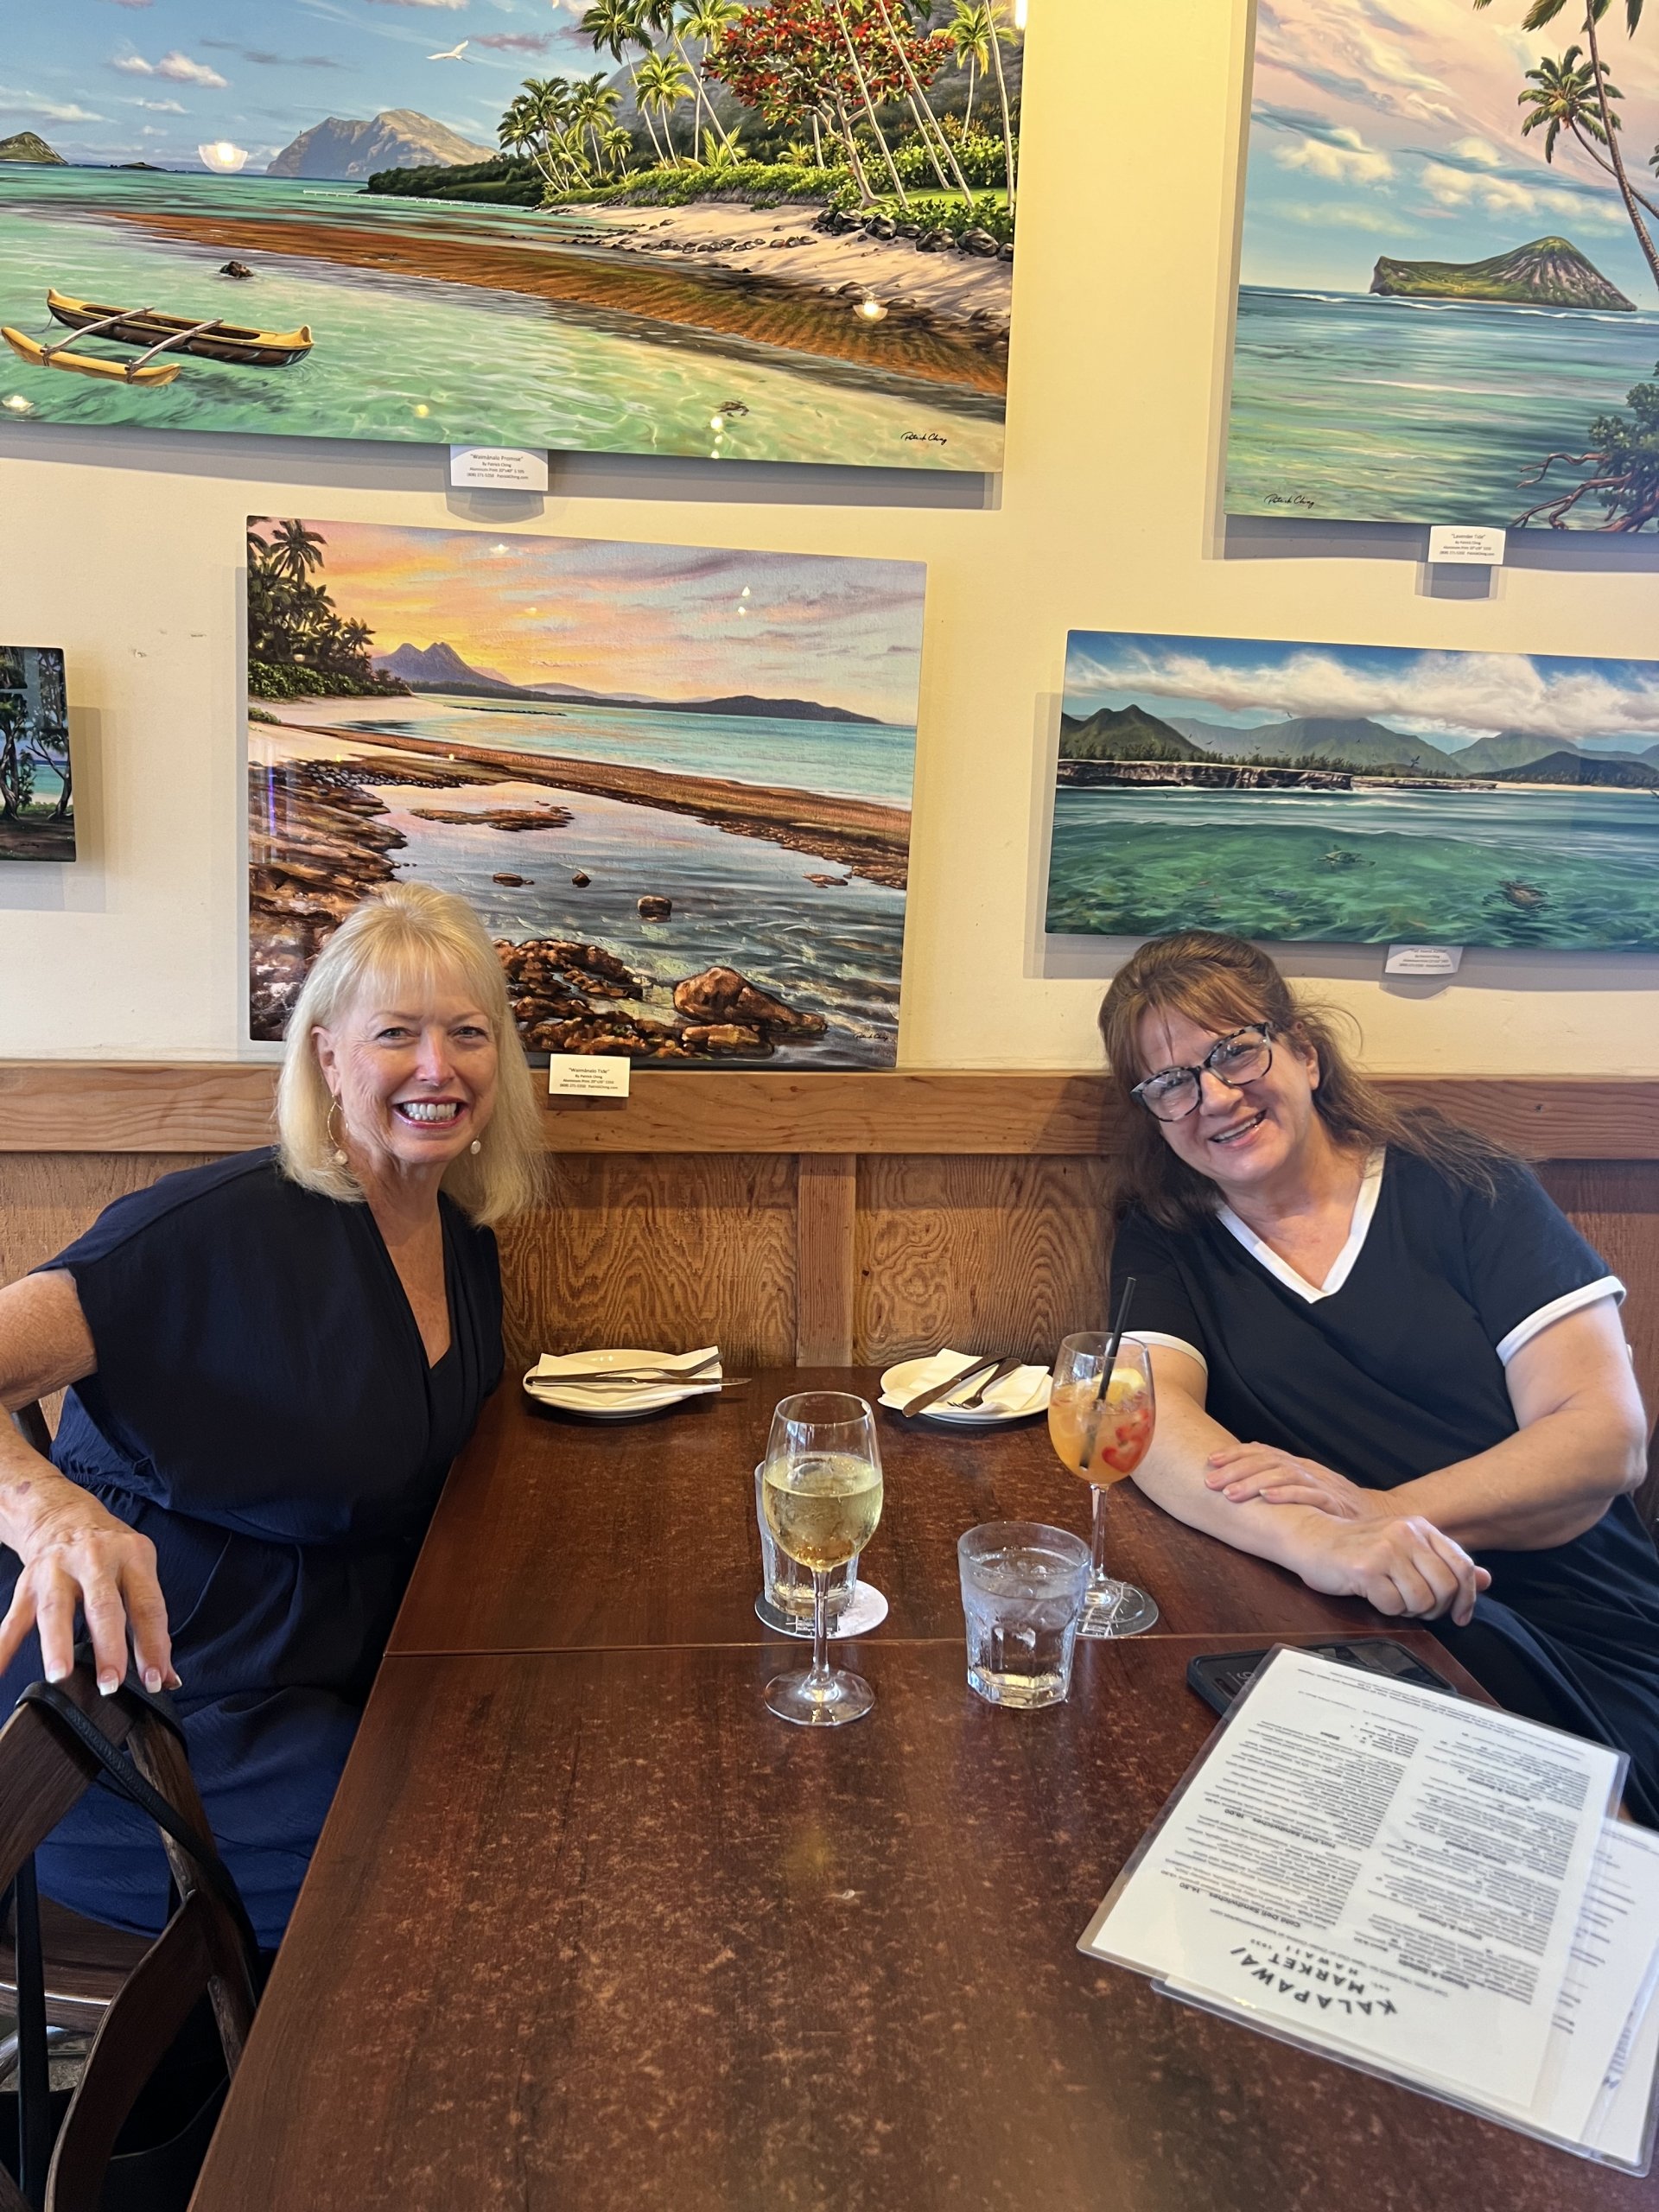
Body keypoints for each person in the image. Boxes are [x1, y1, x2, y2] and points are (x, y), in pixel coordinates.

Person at [0, 885, 543, 1948]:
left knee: (541, 1797)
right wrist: (52, 1513)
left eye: (468, 1034)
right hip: (152, 1708)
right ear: (329, 1056)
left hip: (339, 1675)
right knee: (454, 1871)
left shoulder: (463, 1240)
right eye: (397, 1034)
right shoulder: (213, 1231)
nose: (438, 1067)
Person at [1100, 931, 1659, 1821]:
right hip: (1366, 1623)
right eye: (1171, 1082)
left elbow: (1604, 1436)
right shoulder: (1169, 1230)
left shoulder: (1463, 1184)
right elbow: (1148, 1417)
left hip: (1580, 1623)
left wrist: (1375, 1513)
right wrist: (1318, 1545)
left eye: (1235, 1052)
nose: (1213, 1096)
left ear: (1306, 1052)